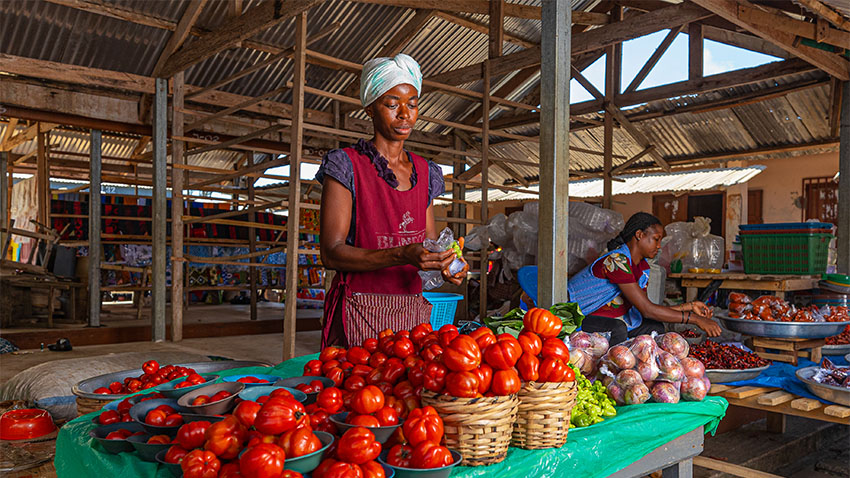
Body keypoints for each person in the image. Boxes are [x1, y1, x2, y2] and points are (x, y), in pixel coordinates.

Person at [316, 54, 467, 348]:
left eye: (412, 104)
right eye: (392, 104)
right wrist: (402, 254)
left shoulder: (426, 172)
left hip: (412, 316)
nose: (404, 114)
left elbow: (429, 244)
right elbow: (331, 253)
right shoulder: (346, 166)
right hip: (358, 310)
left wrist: (446, 263)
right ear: (370, 108)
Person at [568, 212, 722, 345]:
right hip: (578, 317)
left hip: (608, 319)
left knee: (654, 327)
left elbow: (646, 308)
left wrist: (690, 306)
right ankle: (612, 372)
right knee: (617, 329)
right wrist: (695, 319)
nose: (659, 246)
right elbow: (648, 310)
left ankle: (640, 369)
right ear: (640, 235)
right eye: (656, 239)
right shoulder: (616, 261)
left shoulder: (642, 268)